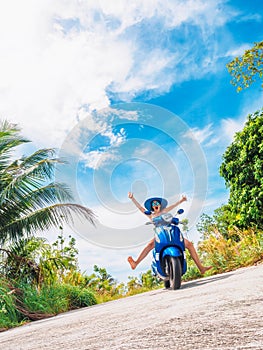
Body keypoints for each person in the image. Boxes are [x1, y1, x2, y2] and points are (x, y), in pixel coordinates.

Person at [127, 192, 212, 275]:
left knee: (189, 244)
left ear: (160, 205)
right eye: (153, 204)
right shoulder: (151, 215)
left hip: (170, 231)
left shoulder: (165, 212)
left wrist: (181, 201)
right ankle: (136, 263)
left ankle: (201, 267)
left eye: (157, 203)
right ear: (152, 207)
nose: (155, 204)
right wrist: (132, 199)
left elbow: (173, 206)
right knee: (149, 245)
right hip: (160, 234)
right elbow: (141, 209)